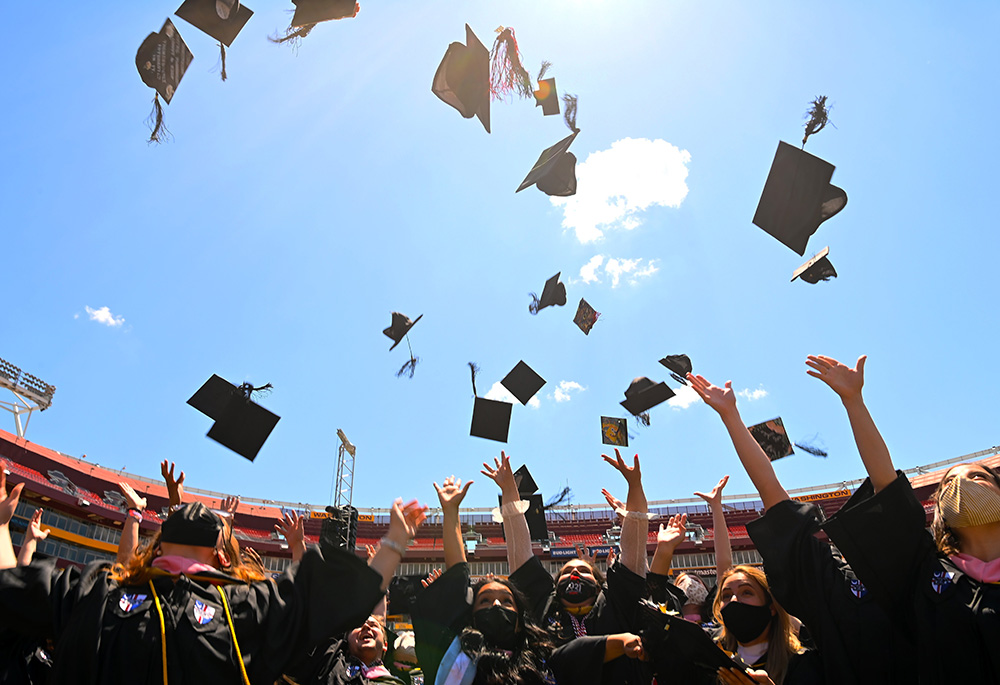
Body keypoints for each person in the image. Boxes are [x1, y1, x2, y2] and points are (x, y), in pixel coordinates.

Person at [0, 490, 426, 685]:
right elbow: (330, 601)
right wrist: (393, 544)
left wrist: (3, 523)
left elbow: (10, 588)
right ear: (224, 556)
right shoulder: (243, 608)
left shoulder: (96, 589)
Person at [689, 368, 915, 684]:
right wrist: (731, 417)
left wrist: (854, 402)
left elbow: (888, 487)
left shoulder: (924, 574)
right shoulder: (834, 588)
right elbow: (773, 494)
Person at [811, 354, 1000, 683]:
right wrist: (854, 401)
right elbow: (887, 486)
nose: (963, 484)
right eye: (949, 484)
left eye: (979, 477)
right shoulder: (925, 573)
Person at [485, 451, 654, 685]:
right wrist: (509, 491)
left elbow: (634, 548)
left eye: (584, 571)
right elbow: (519, 552)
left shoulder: (616, 603)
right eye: (565, 572)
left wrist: (634, 485)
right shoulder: (544, 604)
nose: (573, 573)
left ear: (598, 585)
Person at [411, 474, 558, 685]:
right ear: (471, 617)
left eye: (507, 600)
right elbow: (457, 575)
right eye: (485, 600)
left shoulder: (541, 661)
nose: (496, 605)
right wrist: (451, 512)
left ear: (520, 621)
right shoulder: (451, 658)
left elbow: (523, 559)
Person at [713, 565, 820, 685]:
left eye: (746, 592)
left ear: (772, 607)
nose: (733, 600)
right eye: (726, 596)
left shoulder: (802, 663)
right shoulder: (713, 659)